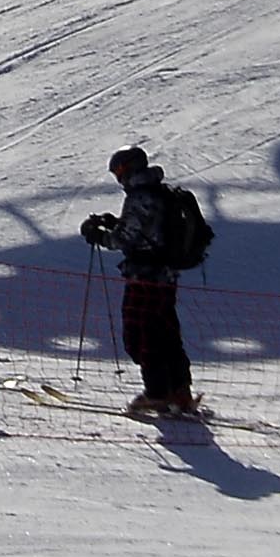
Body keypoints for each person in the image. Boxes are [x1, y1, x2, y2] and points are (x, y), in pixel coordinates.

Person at [80, 145, 210, 419]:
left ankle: (157, 393)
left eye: (119, 170)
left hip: (145, 277)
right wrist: (114, 222)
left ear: (129, 169)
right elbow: (148, 229)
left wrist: (98, 235)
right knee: (166, 333)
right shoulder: (159, 191)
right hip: (165, 276)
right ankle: (180, 392)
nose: (118, 177)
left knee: (141, 334)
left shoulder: (140, 196)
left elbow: (126, 239)